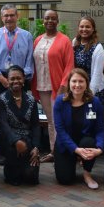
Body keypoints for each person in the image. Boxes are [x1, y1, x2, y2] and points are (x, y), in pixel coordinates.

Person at [31, 10, 74, 163]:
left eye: (53, 18)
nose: (50, 21)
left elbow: (69, 66)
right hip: (42, 86)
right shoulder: (37, 40)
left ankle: (61, 151)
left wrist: (63, 86)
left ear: (57, 21)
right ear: (43, 20)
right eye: (47, 18)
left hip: (58, 86)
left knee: (58, 121)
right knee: (51, 121)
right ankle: (53, 151)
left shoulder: (65, 40)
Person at [53, 68, 104, 189]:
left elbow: (100, 129)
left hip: (85, 142)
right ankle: (71, 161)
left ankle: (87, 175)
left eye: (81, 81)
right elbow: (60, 130)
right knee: (65, 179)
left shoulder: (95, 102)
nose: (77, 85)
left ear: (86, 83)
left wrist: (100, 149)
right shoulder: (60, 101)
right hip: (66, 144)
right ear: (69, 83)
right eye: (74, 81)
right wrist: (76, 150)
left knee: (89, 142)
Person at [0, 66, 41, 186]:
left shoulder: (31, 100)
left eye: (19, 78)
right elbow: (3, 125)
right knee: (14, 179)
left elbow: (36, 125)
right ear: (7, 80)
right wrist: (16, 141)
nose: (16, 81)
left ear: (24, 79)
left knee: (31, 178)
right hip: (9, 141)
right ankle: (11, 168)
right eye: (12, 78)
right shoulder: (1, 100)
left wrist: (36, 147)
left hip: (28, 141)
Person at [0, 4, 34, 93]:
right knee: (0, 106)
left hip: (21, 80)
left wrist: (20, 79)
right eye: (6, 15)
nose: (9, 18)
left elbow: (29, 61)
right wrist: (1, 79)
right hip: (0, 79)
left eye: (12, 15)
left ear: (17, 16)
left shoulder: (27, 36)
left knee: (20, 106)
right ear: (2, 18)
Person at [72, 16, 104, 100]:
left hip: (93, 90)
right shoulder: (75, 42)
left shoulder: (98, 48)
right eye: (82, 26)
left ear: (93, 29)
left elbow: (97, 74)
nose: (84, 29)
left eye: (87, 27)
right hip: (78, 87)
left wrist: (90, 94)